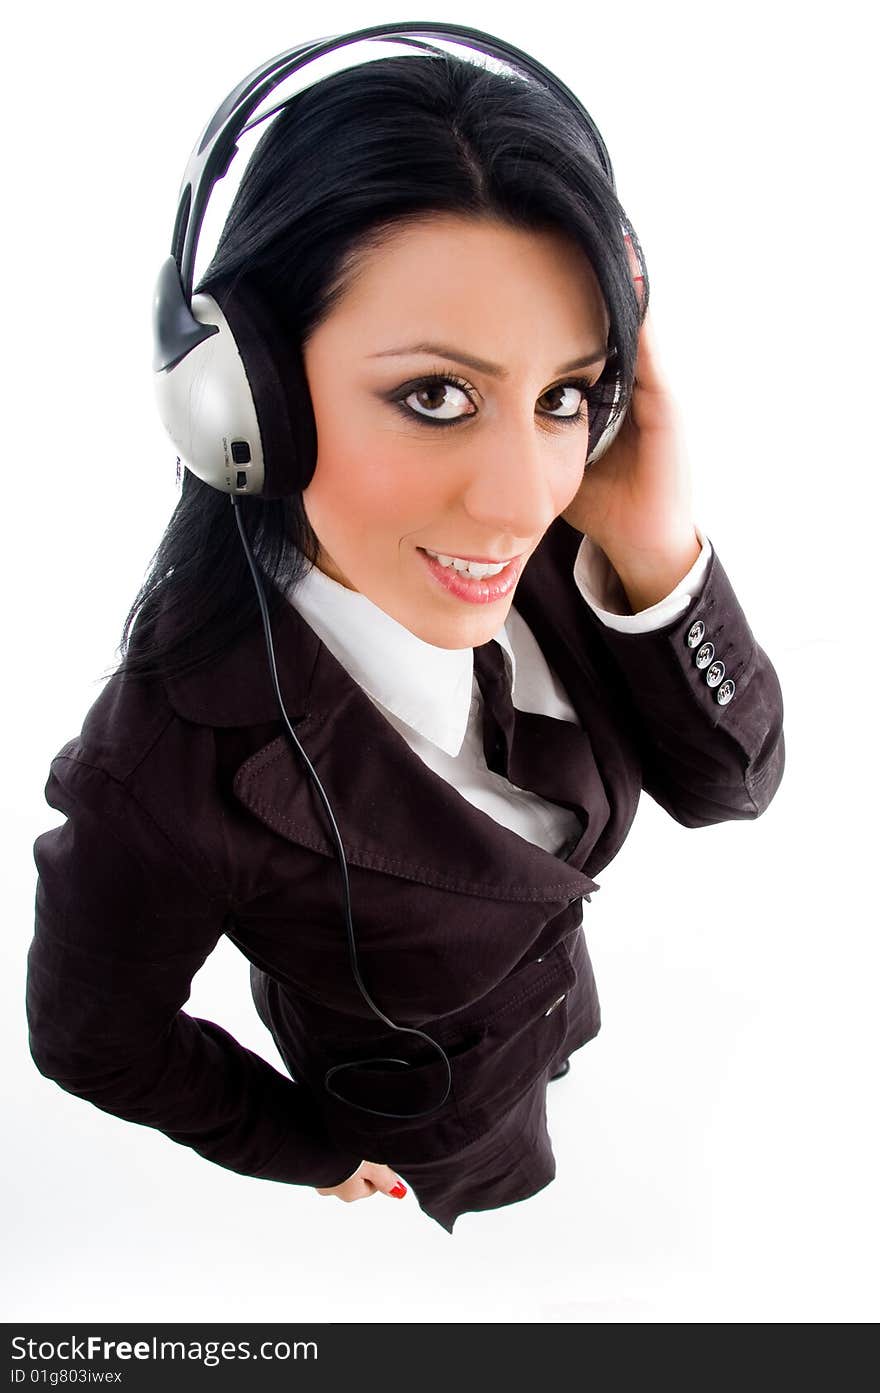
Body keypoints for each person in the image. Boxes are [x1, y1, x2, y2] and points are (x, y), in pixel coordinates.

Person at [26, 47, 785, 1234]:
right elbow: (93, 1041)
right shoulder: (160, 777)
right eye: (435, 395)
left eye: (566, 395)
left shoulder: (562, 545)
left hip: (552, 1021)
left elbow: (729, 781)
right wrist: (305, 1152)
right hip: (423, 1121)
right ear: (242, 400)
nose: (522, 498)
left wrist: (654, 544)